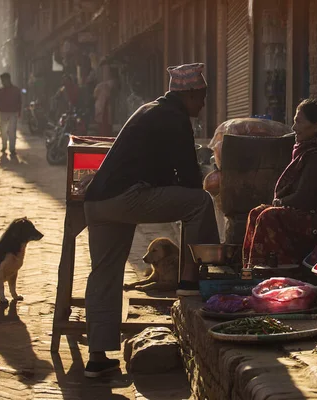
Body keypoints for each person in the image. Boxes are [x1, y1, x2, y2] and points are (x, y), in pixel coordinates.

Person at [82, 63, 219, 378]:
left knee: (104, 274)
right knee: (200, 203)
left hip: (97, 202)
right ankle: (192, 282)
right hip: (125, 198)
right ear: (189, 94)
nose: (202, 104)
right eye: (201, 97)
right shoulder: (176, 118)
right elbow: (188, 180)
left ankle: (98, 358)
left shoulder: (151, 110)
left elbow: (157, 167)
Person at [242, 98, 317, 268]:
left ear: (316, 126)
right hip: (308, 214)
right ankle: (252, 270)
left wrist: (280, 202)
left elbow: (305, 198)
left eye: (299, 122)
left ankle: (279, 270)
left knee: (268, 216)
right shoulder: (308, 150)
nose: (293, 128)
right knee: (256, 213)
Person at [0, 73, 22, 156]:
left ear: (8, 79)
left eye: (4, 80)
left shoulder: (16, 90)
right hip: (2, 113)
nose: (3, 82)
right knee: (3, 131)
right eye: (2, 81)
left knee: (12, 131)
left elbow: (19, 102)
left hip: (13, 113)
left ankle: (12, 148)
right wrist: (1, 108)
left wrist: (19, 112)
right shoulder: (0, 91)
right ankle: (4, 146)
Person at [93, 66, 117, 136]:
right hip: (102, 108)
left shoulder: (110, 84)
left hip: (106, 108)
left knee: (107, 126)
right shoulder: (100, 85)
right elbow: (95, 95)